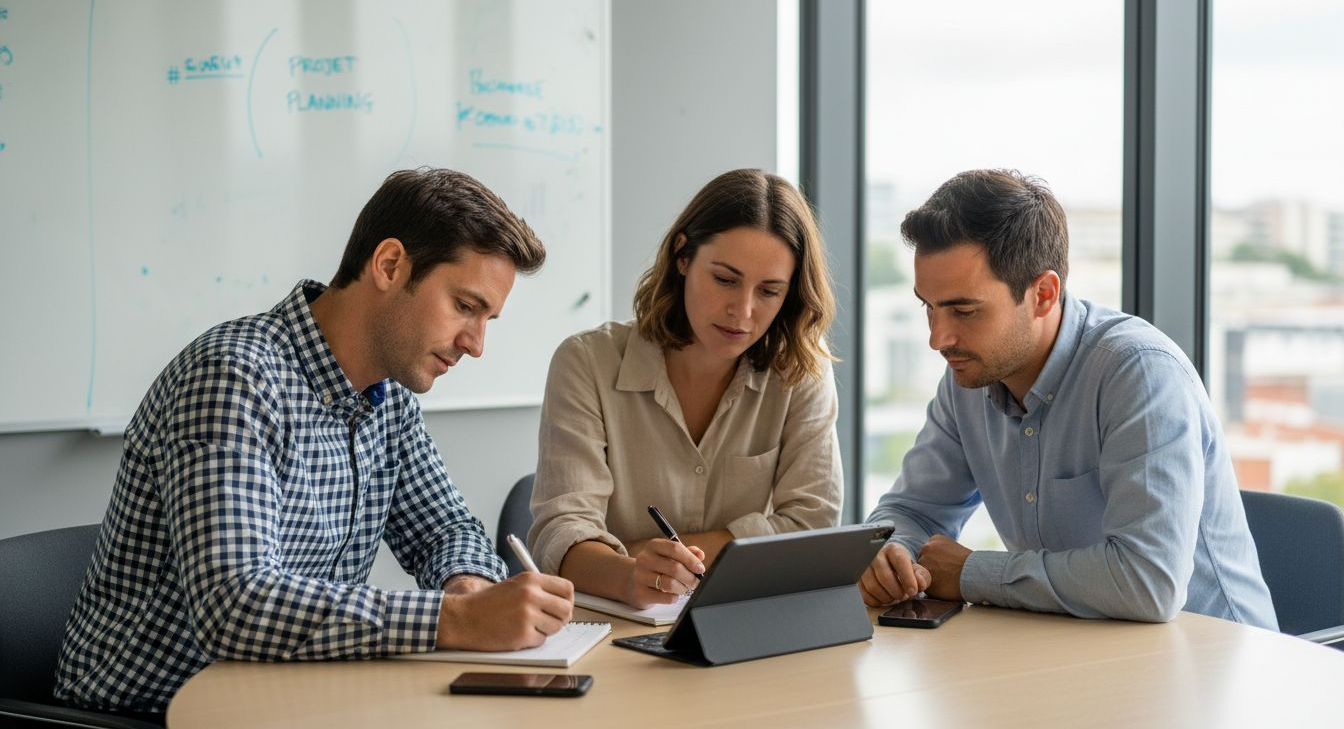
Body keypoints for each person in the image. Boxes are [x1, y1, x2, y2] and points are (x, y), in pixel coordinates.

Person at [55, 168, 575, 716]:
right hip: (154, 710)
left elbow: (444, 529)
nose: (475, 345)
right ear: (390, 265)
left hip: (289, 698)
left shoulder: (388, 398)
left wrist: (467, 584)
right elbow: (235, 606)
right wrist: (455, 620)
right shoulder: (234, 377)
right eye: (465, 306)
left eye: (488, 318)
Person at [860, 169, 1277, 629]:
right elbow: (913, 510)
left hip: (1216, 666)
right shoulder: (971, 376)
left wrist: (969, 574)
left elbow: (1148, 583)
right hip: (1083, 651)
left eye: (963, 310)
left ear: (1043, 294)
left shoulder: (1140, 373)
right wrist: (890, 553)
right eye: (929, 306)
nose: (939, 338)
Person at [529, 169, 843, 609]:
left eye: (769, 291)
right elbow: (561, 533)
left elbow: (813, 529)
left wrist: (637, 553)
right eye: (725, 279)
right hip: (618, 628)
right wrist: (630, 575)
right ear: (683, 257)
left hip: (743, 618)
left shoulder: (800, 370)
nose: (743, 311)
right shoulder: (587, 363)